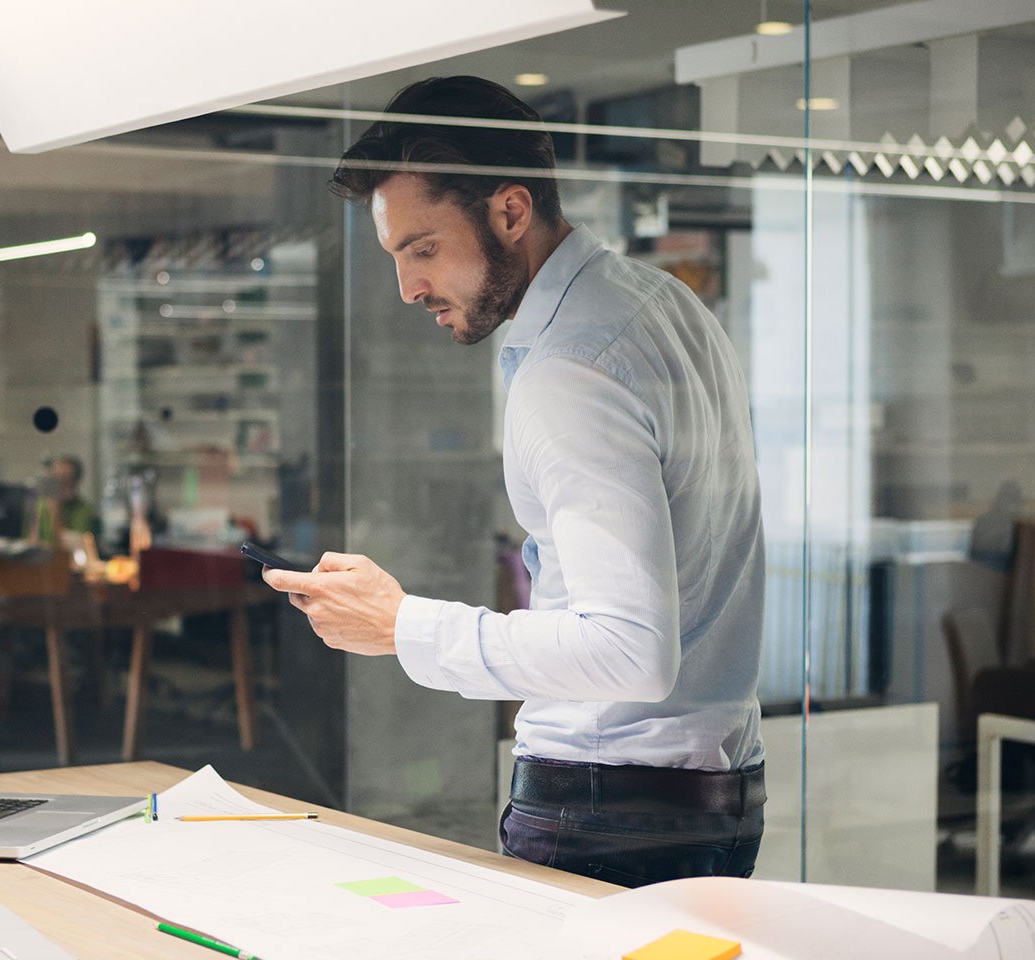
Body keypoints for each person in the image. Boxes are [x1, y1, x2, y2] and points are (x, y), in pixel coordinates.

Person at [259, 76, 767, 888]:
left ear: (510, 212)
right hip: (718, 789)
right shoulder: (665, 305)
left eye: (422, 248)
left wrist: (403, 624)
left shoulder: (571, 368)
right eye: (396, 257)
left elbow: (630, 651)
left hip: (611, 799)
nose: (407, 288)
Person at [36, 456, 100, 545]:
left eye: (65, 479)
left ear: (75, 483)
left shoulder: (84, 511)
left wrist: (56, 511)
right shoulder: (41, 505)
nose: (59, 484)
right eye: (56, 478)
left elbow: (69, 547)